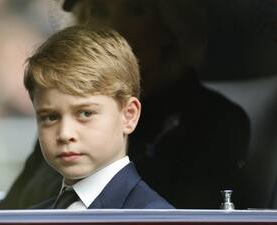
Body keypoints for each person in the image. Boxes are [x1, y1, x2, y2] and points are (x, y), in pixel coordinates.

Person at [0, 0, 250, 209]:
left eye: (136, 10)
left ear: (171, 25)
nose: (115, 26)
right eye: (99, 10)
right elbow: (7, 218)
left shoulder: (212, 122)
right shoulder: (63, 119)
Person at [22, 25, 173, 209]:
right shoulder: (34, 217)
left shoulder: (153, 223)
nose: (64, 134)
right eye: (51, 117)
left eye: (85, 113)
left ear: (128, 116)